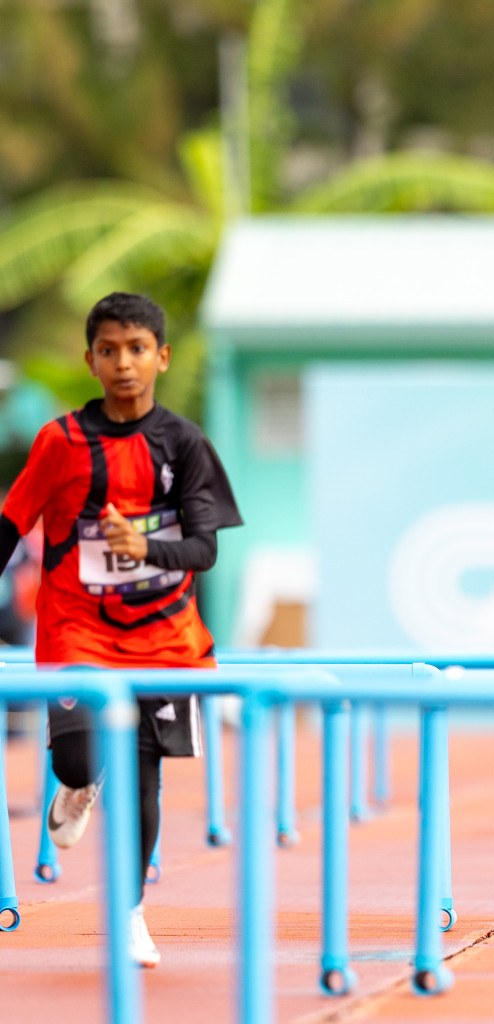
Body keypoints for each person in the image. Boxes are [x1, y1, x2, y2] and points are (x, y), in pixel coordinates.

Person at [0, 293, 243, 967]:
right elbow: (10, 524)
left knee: (143, 778)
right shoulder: (62, 442)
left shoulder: (186, 444)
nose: (124, 363)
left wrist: (143, 550)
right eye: (109, 350)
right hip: (78, 629)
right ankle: (77, 782)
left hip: (165, 640)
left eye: (137, 349)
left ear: (161, 357)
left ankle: (129, 912)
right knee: (77, 759)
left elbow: (205, 551)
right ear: (91, 360)